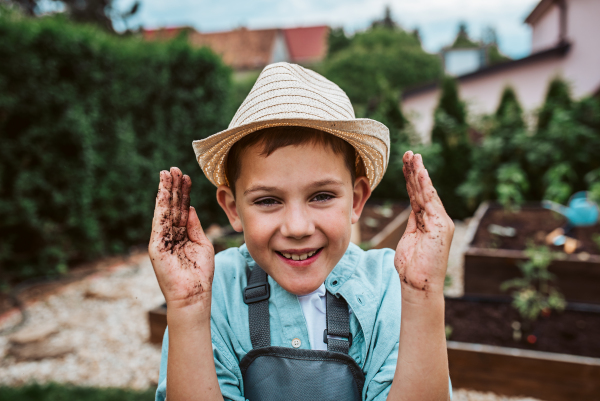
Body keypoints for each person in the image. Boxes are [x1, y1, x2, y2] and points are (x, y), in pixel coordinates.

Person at [150, 62, 454, 401]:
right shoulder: (211, 293)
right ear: (233, 209)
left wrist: (423, 296)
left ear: (356, 200)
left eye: (321, 196)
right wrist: (188, 308)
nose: (297, 228)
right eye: (268, 200)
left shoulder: (391, 287)